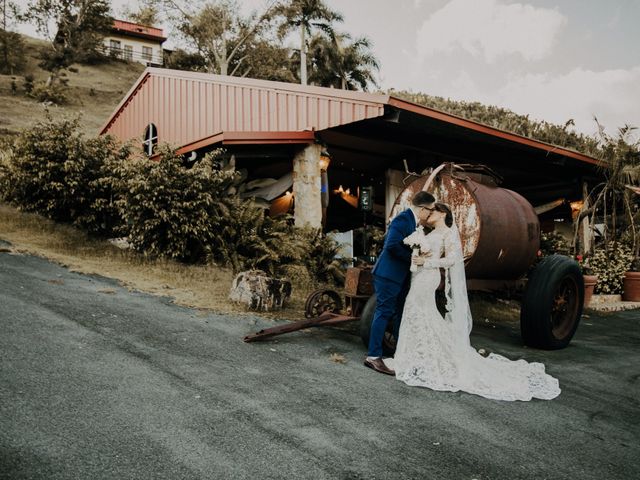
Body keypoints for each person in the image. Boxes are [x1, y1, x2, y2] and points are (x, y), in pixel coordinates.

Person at [388, 202, 561, 401]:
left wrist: (426, 262)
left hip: (429, 276)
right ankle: (412, 356)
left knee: (419, 310)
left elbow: (452, 260)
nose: (429, 213)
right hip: (418, 276)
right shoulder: (426, 232)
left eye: (433, 210)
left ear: (443, 213)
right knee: (416, 312)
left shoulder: (448, 233)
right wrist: (416, 253)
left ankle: (422, 358)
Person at [364, 191, 436, 375]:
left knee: (399, 313)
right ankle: (373, 356)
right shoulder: (402, 220)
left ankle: (400, 352)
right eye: (430, 210)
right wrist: (413, 258)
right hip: (388, 275)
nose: (430, 214)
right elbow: (391, 246)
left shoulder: (413, 222)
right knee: (384, 312)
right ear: (422, 208)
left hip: (399, 277)